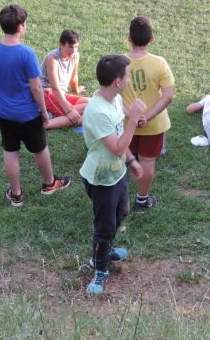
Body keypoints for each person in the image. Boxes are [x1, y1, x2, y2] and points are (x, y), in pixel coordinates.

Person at [0, 5, 71, 207]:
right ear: (21, 26)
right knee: (40, 148)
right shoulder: (26, 53)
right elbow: (37, 88)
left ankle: (16, 195)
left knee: (10, 151)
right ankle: (49, 184)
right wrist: (43, 111)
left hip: (2, 112)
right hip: (27, 114)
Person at [80, 54, 146, 295]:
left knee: (122, 212)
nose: (129, 80)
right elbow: (117, 145)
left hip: (116, 173)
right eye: (127, 76)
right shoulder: (97, 111)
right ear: (118, 81)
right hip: (101, 179)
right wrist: (134, 119)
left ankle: (104, 250)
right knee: (105, 227)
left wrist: (131, 160)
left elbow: (120, 141)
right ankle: (99, 268)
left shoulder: (115, 99)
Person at [121, 16, 175, 212]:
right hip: (153, 126)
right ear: (151, 38)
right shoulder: (160, 63)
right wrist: (147, 116)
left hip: (126, 124)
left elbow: (112, 95)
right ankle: (142, 200)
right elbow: (168, 96)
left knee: (123, 160)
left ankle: (120, 200)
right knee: (148, 161)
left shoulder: (119, 62)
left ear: (129, 38)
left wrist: (132, 116)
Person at [40, 29, 89, 130]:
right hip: (47, 93)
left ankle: (55, 115)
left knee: (91, 103)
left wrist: (76, 90)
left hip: (61, 94)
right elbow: (55, 88)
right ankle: (46, 124)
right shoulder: (52, 59)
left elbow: (74, 77)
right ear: (61, 45)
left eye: (76, 47)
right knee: (77, 118)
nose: (74, 50)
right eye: (70, 47)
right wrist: (69, 111)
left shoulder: (75, 55)